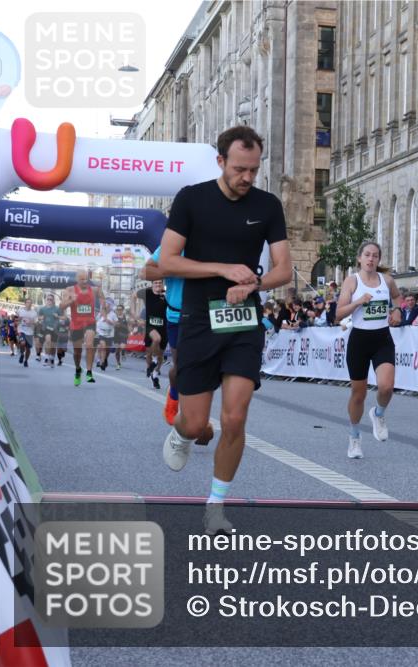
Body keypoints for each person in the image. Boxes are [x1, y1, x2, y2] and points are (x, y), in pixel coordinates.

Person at [158, 125, 293, 536]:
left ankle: (215, 505)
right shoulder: (191, 199)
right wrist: (220, 269)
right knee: (197, 424)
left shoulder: (268, 206)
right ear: (221, 162)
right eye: (239, 169)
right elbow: (167, 260)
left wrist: (252, 283)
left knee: (235, 418)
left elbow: (284, 270)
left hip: (243, 322)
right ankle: (183, 433)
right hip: (200, 319)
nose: (248, 178)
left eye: (254, 170)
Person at [334, 241, 402, 459]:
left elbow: (397, 297)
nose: (371, 259)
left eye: (375, 256)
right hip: (359, 341)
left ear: (378, 260)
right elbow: (338, 314)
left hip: (382, 338)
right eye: (367, 255)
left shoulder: (387, 280)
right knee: (358, 394)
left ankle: (378, 414)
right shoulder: (351, 282)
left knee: (386, 387)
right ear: (359, 258)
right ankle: (354, 437)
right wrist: (359, 302)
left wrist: (398, 311)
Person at [143, 241, 186, 423]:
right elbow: (145, 271)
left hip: (207, 315)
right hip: (177, 316)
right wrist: (178, 269)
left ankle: (195, 414)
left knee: (203, 367)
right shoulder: (173, 244)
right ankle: (174, 395)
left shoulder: (214, 239)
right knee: (180, 368)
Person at [59, 270, 105, 385]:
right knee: (77, 352)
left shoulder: (94, 290)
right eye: (82, 279)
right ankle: (78, 369)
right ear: (77, 280)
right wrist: (71, 300)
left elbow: (103, 299)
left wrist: (104, 308)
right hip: (76, 323)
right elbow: (61, 307)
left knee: (89, 345)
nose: (85, 281)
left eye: (86, 279)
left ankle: (89, 372)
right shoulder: (69, 290)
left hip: (90, 322)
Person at [143, 281, 168, 389]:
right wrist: (134, 314)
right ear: (152, 284)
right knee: (155, 342)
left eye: (160, 283)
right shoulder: (147, 292)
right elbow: (134, 295)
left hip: (163, 326)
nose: (158, 284)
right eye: (156, 283)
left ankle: (155, 374)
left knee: (161, 355)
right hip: (150, 325)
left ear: (163, 284)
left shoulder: (167, 294)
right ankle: (152, 362)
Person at [37, 295, 60, 368]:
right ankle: (46, 358)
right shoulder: (42, 309)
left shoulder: (57, 309)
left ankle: (52, 359)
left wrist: (58, 316)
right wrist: (41, 318)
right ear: (46, 300)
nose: (49, 301)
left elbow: (64, 317)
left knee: (53, 346)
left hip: (55, 329)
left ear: (53, 300)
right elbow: (39, 317)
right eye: (48, 299)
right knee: (48, 340)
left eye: (51, 299)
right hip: (46, 328)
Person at [94, 300, 118, 370]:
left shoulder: (113, 314)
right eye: (105, 307)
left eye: (107, 307)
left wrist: (109, 321)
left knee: (107, 350)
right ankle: (102, 362)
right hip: (101, 333)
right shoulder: (100, 314)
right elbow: (96, 321)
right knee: (102, 347)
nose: (106, 309)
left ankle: (104, 359)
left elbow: (116, 324)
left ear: (110, 307)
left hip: (110, 334)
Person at [15, 298, 38, 368]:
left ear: (32, 304)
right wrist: (19, 319)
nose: (29, 304)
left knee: (28, 349)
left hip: (30, 332)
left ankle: (26, 361)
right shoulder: (20, 311)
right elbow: (15, 318)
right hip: (21, 330)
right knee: (22, 343)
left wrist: (31, 322)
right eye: (27, 302)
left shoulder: (34, 313)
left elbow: (36, 322)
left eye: (30, 303)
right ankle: (22, 354)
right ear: (25, 303)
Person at [113, 304, 130, 369]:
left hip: (123, 334)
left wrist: (129, 331)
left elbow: (129, 326)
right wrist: (115, 325)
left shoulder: (126, 317)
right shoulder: (114, 316)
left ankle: (123, 353)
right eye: (118, 309)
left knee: (122, 347)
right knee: (117, 350)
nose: (119, 311)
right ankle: (118, 363)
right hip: (116, 335)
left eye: (120, 309)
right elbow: (113, 324)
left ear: (123, 310)